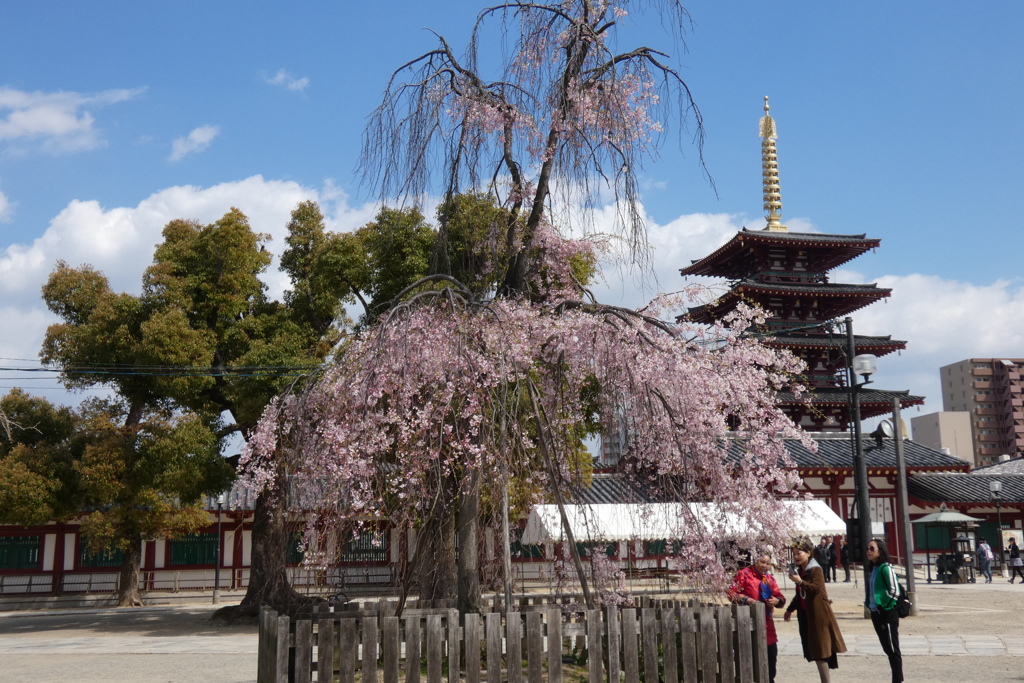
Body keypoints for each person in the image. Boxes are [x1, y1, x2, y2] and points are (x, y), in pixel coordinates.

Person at [784, 536, 846, 682]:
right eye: (794, 554)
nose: (796, 556)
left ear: (808, 553)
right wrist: (789, 609)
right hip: (806, 615)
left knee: (820, 650)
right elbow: (800, 594)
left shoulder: (815, 569)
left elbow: (816, 589)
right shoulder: (802, 570)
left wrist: (800, 581)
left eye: (799, 553)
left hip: (819, 615)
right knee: (815, 649)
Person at [729, 554, 786, 683]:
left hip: (767, 625)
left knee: (770, 661)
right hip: (748, 623)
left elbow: (780, 597)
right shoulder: (744, 574)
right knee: (751, 663)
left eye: (768, 563)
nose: (765, 566)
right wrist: (747, 600)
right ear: (755, 561)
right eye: (762, 562)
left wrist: (777, 601)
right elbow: (731, 592)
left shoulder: (769, 579)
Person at [866, 538, 904, 683]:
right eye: (868, 548)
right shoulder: (874, 568)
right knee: (887, 648)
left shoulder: (885, 568)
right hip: (876, 612)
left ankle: (897, 680)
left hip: (887, 612)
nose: (868, 551)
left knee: (893, 649)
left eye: (872, 548)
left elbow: (895, 590)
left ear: (880, 550)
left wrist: (885, 606)